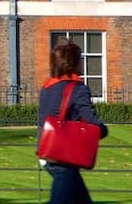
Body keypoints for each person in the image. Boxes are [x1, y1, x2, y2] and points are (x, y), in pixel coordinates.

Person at [40, 38, 108, 204]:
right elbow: (92, 122)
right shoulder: (78, 89)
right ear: (74, 63)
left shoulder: (47, 88)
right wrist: (103, 130)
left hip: (47, 151)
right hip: (64, 158)